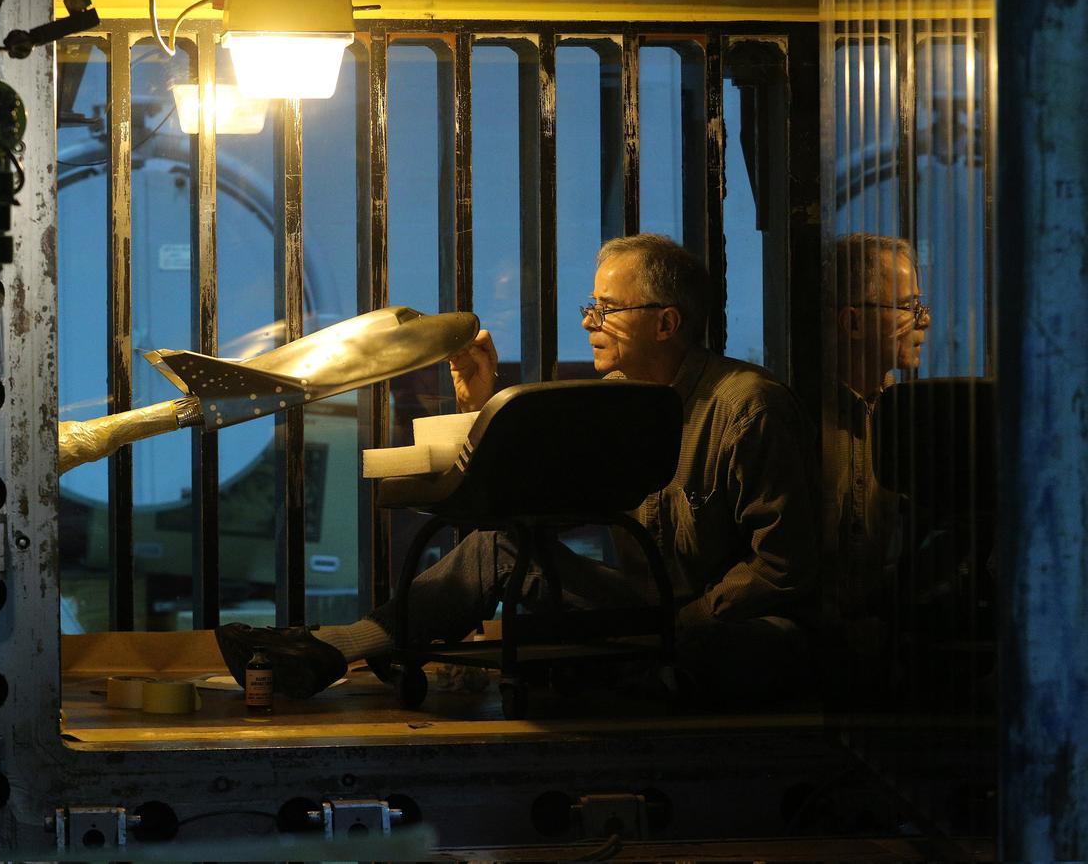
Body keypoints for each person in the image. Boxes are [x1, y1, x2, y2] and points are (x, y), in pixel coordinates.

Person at [215, 234, 820, 707]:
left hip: (720, 625)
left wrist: (680, 625)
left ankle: (636, 668)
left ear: (666, 323)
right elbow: (533, 497)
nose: (588, 322)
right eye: (590, 306)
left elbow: (783, 567)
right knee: (501, 547)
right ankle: (335, 646)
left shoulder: (748, 406)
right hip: (649, 615)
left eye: (607, 310)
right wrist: (481, 404)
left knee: (769, 645)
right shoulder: (617, 400)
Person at [823, 234, 931, 651]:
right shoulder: (797, 421)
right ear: (852, 322)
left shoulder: (899, 411)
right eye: (908, 306)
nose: (923, 320)